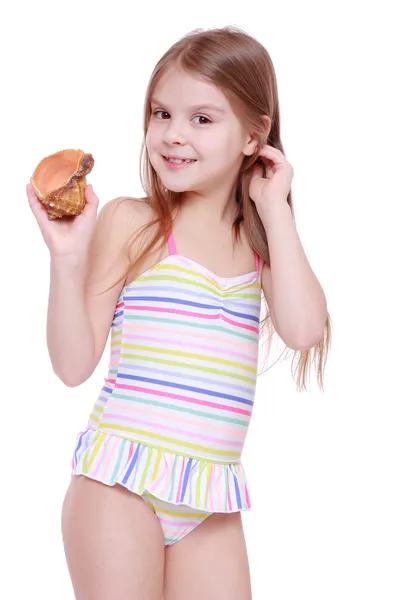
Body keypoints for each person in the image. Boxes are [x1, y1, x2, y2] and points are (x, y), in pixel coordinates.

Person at [27, 25, 330, 600]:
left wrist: (276, 206)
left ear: (254, 135)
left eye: (202, 119)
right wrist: (67, 259)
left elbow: (304, 327)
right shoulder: (134, 223)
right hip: (119, 485)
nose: (172, 135)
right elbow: (71, 365)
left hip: (209, 501)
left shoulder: (260, 244)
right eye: (161, 114)